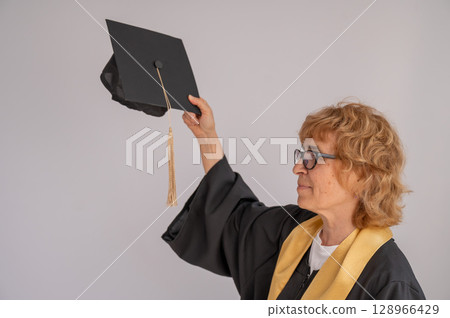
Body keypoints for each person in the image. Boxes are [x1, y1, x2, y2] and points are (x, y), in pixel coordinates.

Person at [161, 95, 426, 300]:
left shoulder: (389, 282)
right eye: (302, 155)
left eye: (313, 158)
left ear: (361, 173)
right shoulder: (291, 230)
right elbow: (233, 215)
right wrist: (207, 136)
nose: (297, 167)